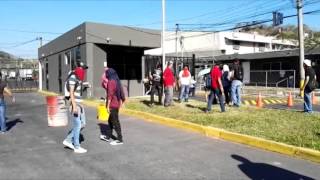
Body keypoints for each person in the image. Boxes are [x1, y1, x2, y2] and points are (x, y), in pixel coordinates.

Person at [63, 62, 89, 153]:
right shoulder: (73, 77)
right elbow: (71, 93)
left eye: (84, 69)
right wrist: (74, 107)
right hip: (75, 104)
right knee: (78, 124)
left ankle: (68, 140)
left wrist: (85, 86)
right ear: (78, 68)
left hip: (79, 103)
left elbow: (77, 91)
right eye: (83, 68)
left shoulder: (78, 77)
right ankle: (77, 146)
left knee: (83, 124)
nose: (84, 70)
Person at [103, 68, 126, 145]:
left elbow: (110, 94)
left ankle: (120, 139)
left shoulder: (111, 81)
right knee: (110, 121)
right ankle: (108, 136)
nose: (106, 74)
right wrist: (123, 101)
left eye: (107, 73)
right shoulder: (117, 80)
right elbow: (122, 92)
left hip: (112, 104)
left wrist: (107, 106)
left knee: (115, 121)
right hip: (116, 104)